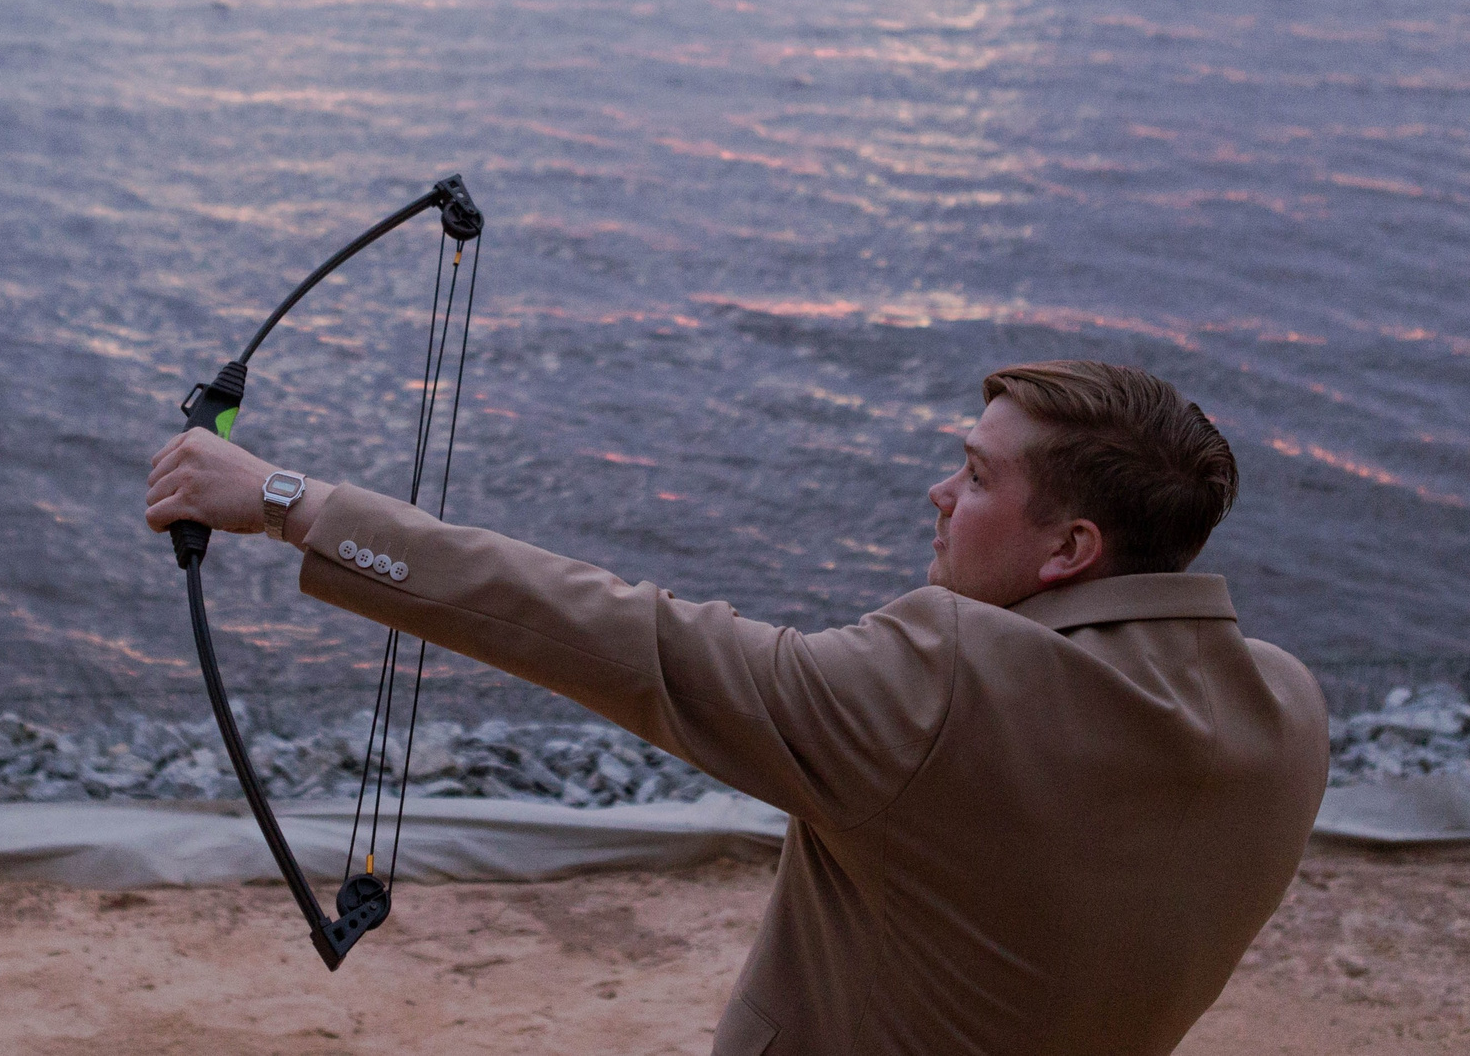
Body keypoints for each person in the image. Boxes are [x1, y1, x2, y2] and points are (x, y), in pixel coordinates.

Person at [145, 359, 1327, 1055]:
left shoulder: (944, 684)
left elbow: (622, 636)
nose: (939, 490)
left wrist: (289, 499)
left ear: (1071, 546)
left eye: (975, 476)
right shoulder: (1283, 709)